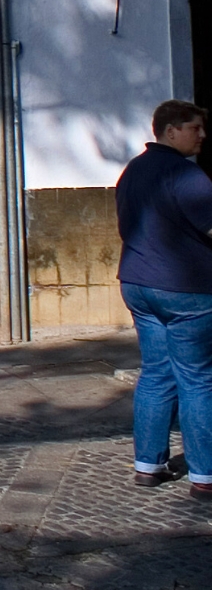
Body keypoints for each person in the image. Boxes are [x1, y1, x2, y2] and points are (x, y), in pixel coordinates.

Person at [116, 98, 212, 496]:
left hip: (138, 282)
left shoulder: (132, 171)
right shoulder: (188, 176)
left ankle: (148, 465)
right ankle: (205, 476)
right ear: (170, 130)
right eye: (195, 128)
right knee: (198, 379)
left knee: (156, 373)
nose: (202, 136)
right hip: (186, 289)